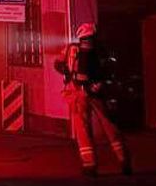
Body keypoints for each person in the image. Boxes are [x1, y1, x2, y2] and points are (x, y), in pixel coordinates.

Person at [55, 23, 131, 177]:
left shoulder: (70, 49)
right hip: (97, 94)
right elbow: (110, 69)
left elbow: (57, 64)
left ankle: (89, 166)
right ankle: (124, 162)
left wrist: (69, 74)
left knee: (83, 130)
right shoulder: (101, 50)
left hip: (77, 94)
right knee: (110, 127)